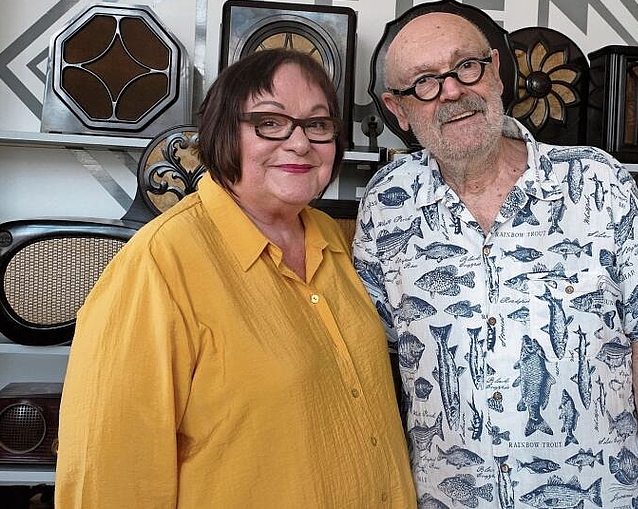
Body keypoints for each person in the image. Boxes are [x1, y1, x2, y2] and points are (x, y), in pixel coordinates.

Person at [352, 3, 638, 508]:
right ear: (397, 108)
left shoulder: (597, 182)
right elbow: (370, 366)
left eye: (465, 66)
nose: (452, 91)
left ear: (494, 69)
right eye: (424, 81)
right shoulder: (386, 203)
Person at [55, 49, 416, 508]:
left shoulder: (334, 238)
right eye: (270, 122)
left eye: (318, 124)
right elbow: (109, 477)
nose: (300, 143)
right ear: (223, 132)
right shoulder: (159, 264)